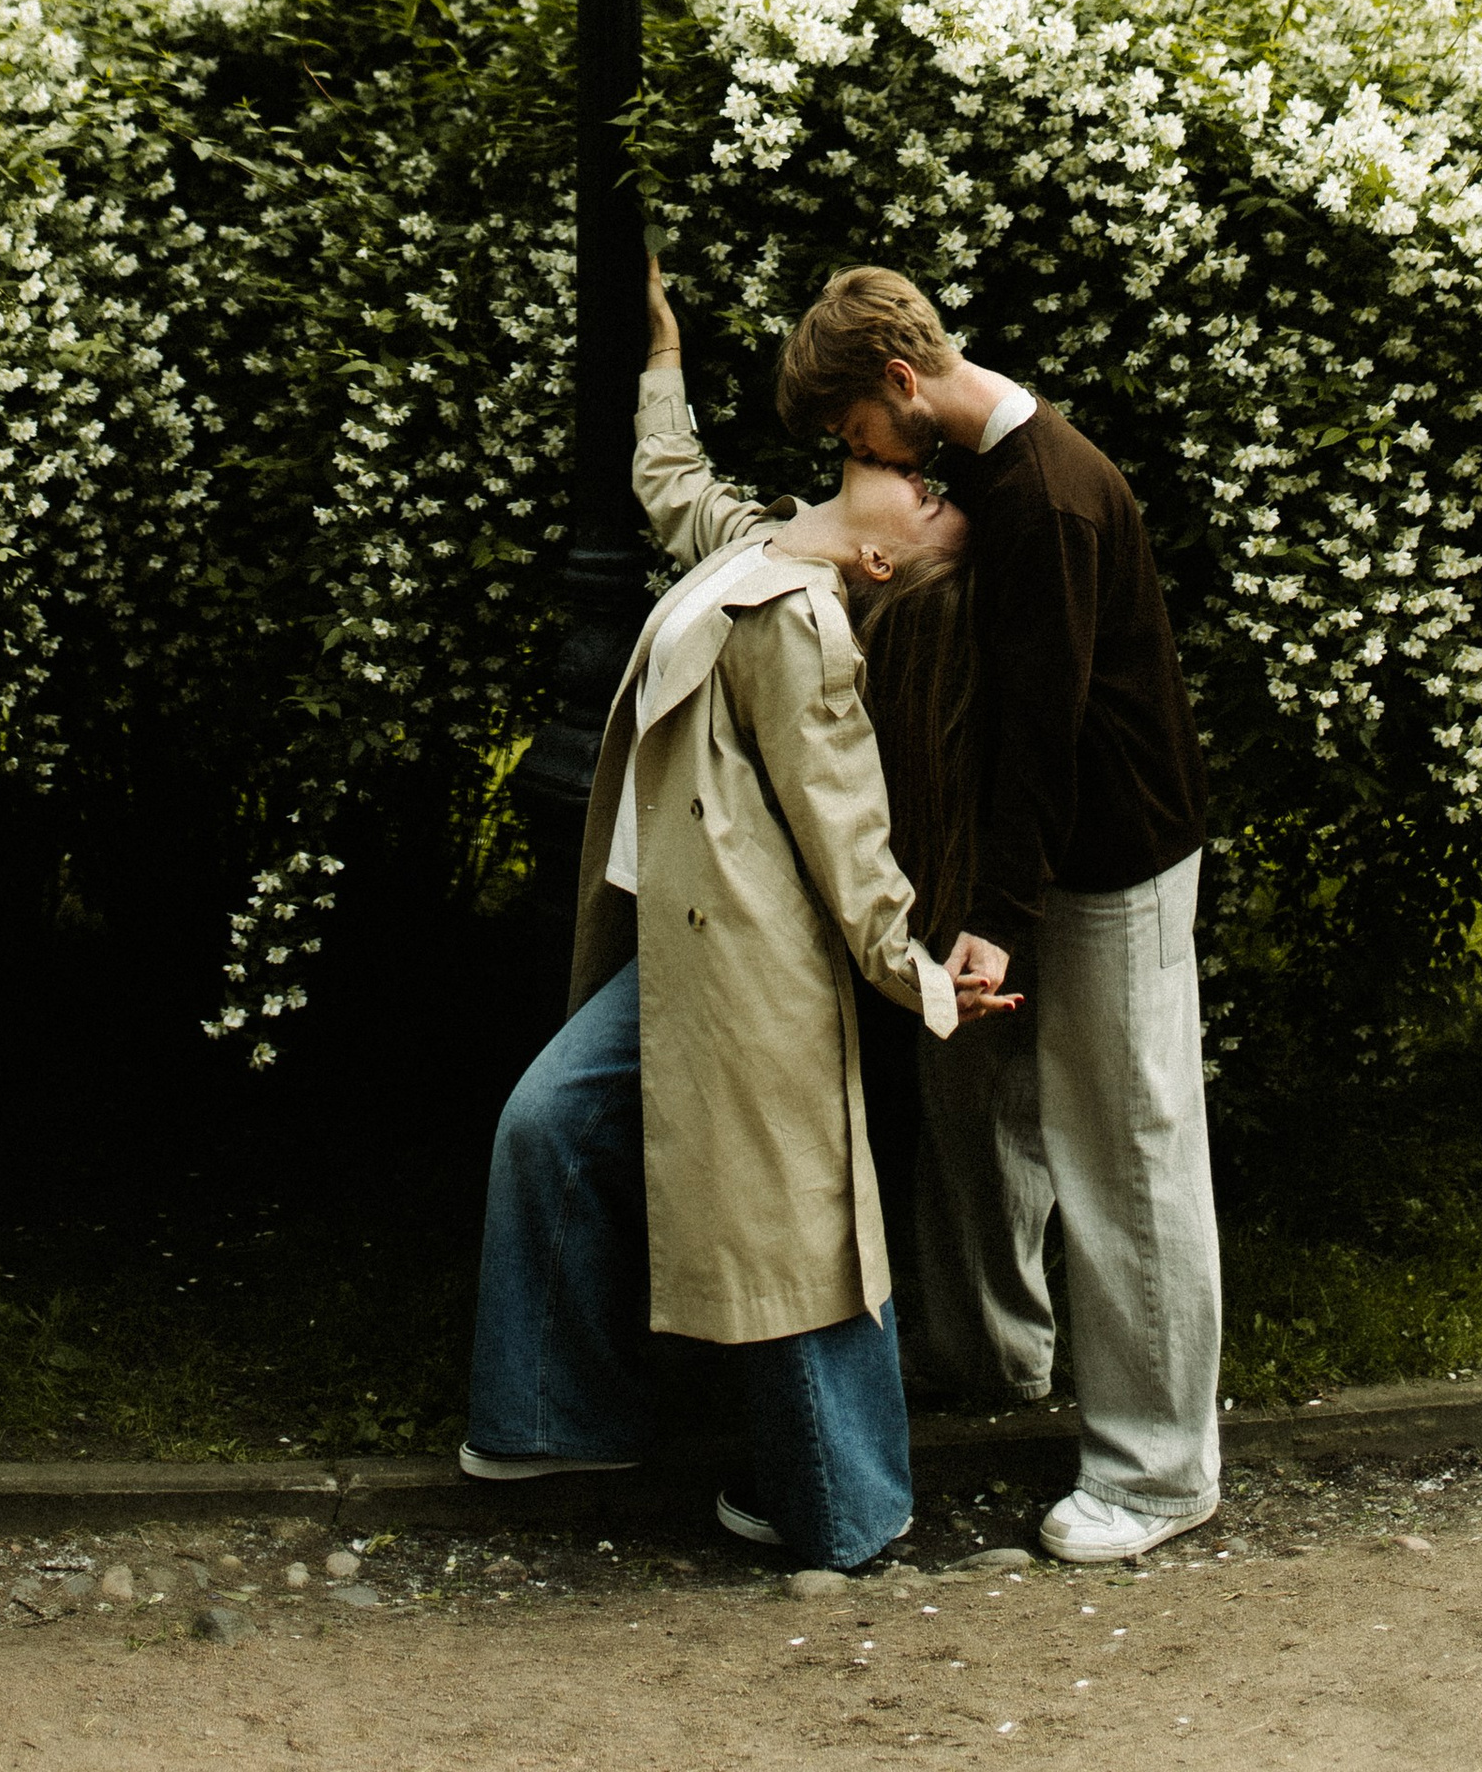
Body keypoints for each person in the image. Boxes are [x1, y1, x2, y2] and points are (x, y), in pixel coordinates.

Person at [460, 262, 1015, 1573]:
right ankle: (561, 1416)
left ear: (880, 560)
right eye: (927, 485)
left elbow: (849, 836)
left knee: (796, 1236)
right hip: (685, 944)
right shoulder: (759, 543)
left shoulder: (810, 624)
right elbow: (670, 489)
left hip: (754, 961)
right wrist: (659, 352)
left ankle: (845, 1509)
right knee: (550, 1121)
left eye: (932, 506)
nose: (917, 479)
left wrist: (919, 976)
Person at [777, 264, 1222, 1569]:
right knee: (993, 1101)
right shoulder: (987, 469)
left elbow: (1046, 737)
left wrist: (994, 918)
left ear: (902, 385)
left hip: (1113, 856)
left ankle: (1159, 1467)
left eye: (858, 433)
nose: (860, 460)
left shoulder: (1048, 497)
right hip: (1038, 854)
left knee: (1130, 1144)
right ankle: (997, 1355)